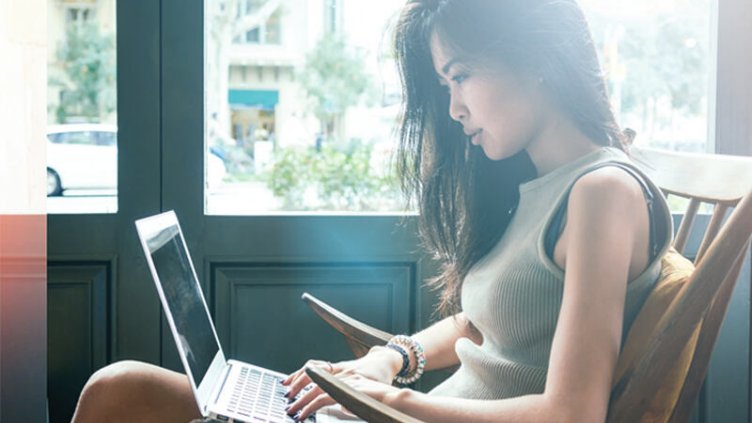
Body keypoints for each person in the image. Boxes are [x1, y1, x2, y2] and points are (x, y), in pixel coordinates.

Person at [71, 0, 672, 422]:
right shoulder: (542, 185)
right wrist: (390, 360)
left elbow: (571, 415)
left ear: (534, 56)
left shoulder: (602, 195)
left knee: (122, 396)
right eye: (445, 86)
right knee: (121, 388)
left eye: (460, 76)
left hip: (400, 420)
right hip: (389, 416)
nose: (455, 107)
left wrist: (383, 401)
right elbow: (492, 319)